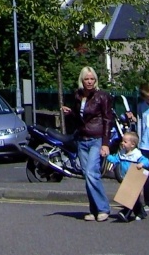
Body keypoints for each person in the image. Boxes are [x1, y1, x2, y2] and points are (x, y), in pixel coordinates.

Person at [61, 66, 114, 222]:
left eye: (92, 79)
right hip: (82, 140)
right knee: (87, 175)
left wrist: (105, 144)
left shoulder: (102, 96)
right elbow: (80, 117)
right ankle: (94, 209)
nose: (90, 82)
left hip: (97, 139)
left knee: (92, 173)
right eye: (87, 79)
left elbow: (107, 120)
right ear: (82, 80)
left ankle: (104, 208)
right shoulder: (78, 96)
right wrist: (70, 113)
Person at [106, 131, 149, 222]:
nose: (122, 143)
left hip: (134, 178)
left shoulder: (136, 154)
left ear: (132, 144)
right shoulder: (122, 152)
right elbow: (115, 159)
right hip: (125, 178)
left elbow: (147, 161)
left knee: (130, 198)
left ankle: (125, 213)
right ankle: (141, 213)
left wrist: (141, 164)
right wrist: (107, 156)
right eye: (123, 141)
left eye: (125, 142)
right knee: (134, 199)